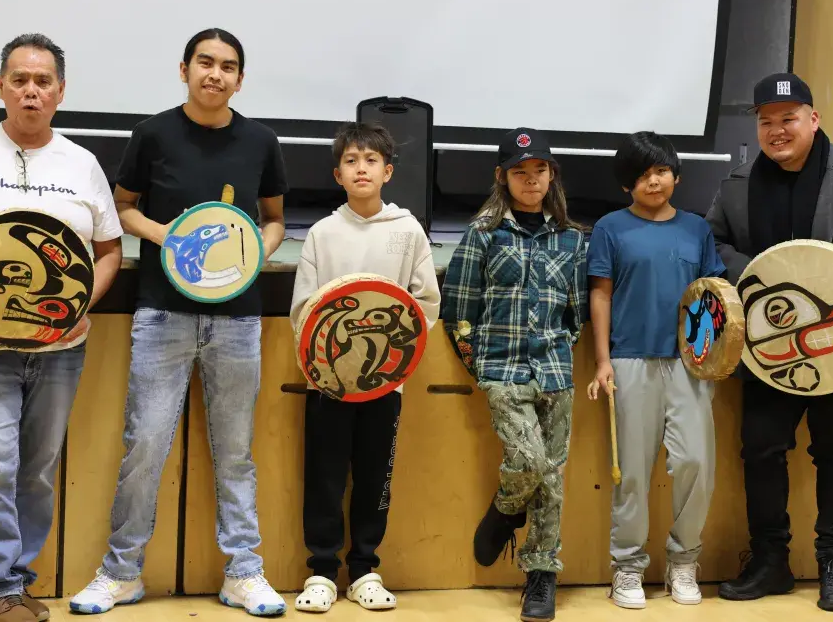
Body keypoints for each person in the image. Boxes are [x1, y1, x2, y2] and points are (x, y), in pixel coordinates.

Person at [69, 28, 288, 616]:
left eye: (228, 66)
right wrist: (168, 237)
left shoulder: (262, 141)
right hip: (162, 311)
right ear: (185, 68)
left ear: (240, 78)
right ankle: (121, 573)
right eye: (205, 63)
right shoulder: (152, 133)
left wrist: (255, 250)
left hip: (238, 320)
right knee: (144, 444)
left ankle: (244, 572)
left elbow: (273, 220)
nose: (215, 74)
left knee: (236, 452)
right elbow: (121, 208)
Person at [705, 73, 833, 612]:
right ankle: (771, 560)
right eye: (766, 121)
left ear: (813, 119)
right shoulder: (738, 183)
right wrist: (750, 273)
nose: (777, 131)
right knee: (761, 451)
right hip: (766, 352)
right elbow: (715, 241)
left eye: (788, 118)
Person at [0, 33, 123, 622]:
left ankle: (16, 583)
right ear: (1, 87)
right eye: (20, 79)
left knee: (36, 469)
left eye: (43, 82)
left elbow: (110, 248)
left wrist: (75, 305)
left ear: (61, 92)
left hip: (63, 348)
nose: (31, 91)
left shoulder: (82, 163)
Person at [288, 122, 440, 614]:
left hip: (384, 385)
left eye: (371, 160)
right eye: (351, 161)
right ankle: (322, 572)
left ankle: (365, 570)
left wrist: (395, 362)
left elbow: (424, 305)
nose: (361, 168)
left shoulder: (408, 230)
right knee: (325, 475)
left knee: (376, 474)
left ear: (387, 171)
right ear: (338, 173)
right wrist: (323, 363)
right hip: (328, 383)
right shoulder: (321, 233)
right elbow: (303, 311)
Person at [441, 128, 588, 622]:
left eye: (539, 171)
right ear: (502, 177)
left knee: (552, 478)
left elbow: (577, 312)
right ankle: (506, 509)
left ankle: (541, 575)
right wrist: (480, 364)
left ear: (551, 176)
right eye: (520, 172)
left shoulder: (571, 238)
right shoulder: (483, 233)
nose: (531, 181)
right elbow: (459, 310)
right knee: (528, 461)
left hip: (555, 371)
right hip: (502, 368)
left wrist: (562, 347)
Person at [586, 131, 725, 609]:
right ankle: (627, 568)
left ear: (677, 176)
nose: (653, 180)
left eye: (661, 171)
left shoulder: (696, 230)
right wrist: (603, 361)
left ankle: (684, 561)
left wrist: (713, 359)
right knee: (632, 473)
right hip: (628, 361)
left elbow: (713, 297)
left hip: (689, 366)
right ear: (628, 183)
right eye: (642, 174)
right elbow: (600, 295)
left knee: (695, 464)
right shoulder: (609, 228)